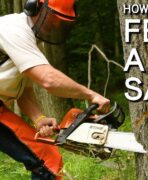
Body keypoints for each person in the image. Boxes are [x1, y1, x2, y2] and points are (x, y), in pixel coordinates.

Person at [0, 0, 110, 179]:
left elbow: (24, 91)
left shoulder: (32, 42)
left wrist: (39, 118)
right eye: (53, 18)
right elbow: (48, 79)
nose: (55, 25)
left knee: (46, 155)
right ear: (34, 7)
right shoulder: (14, 30)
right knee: (48, 159)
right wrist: (91, 95)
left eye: (61, 22)